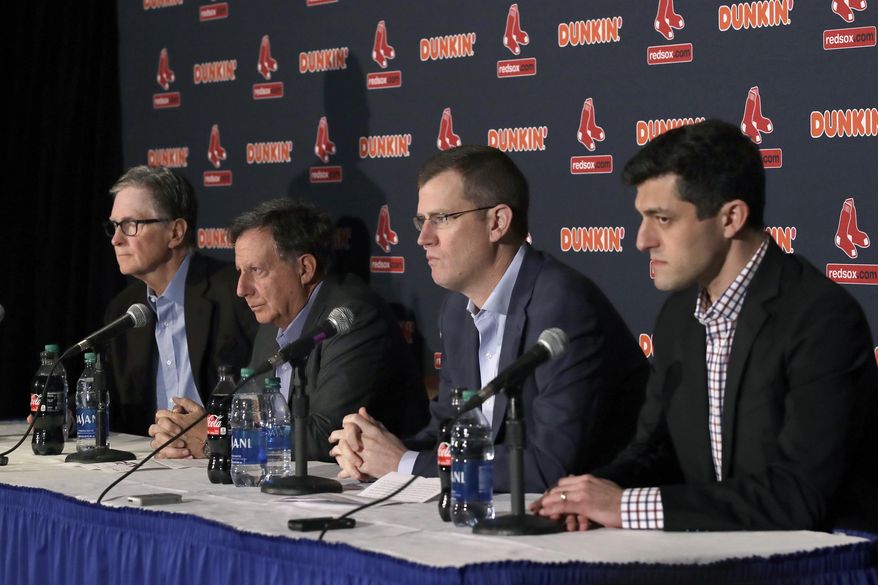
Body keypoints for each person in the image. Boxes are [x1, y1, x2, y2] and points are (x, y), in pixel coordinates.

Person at [532, 119, 878, 531]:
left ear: (730, 218)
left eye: (662, 219)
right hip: (718, 547)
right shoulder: (679, 316)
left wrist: (625, 507)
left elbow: (798, 494)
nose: (642, 240)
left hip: (826, 556)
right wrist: (594, 494)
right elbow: (656, 451)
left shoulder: (821, 319)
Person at [329, 145, 648, 492]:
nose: (423, 238)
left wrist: (404, 463)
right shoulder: (456, 310)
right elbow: (447, 429)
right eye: (422, 221)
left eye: (442, 219)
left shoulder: (563, 307)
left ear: (497, 222)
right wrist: (373, 450)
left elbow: (550, 465)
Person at [150, 198, 428, 461]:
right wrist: (189, 429)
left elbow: (325, 435)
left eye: (256, 270)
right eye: (239, 271)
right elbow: (247, 412)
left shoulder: (351, 320)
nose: (241, 289)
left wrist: (217, 440)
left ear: (305, 268)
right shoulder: (276, 321)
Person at [103, 166, 257, 439]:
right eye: (114, 226)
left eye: (130, 225)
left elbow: (267, 396)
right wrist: (69, 416)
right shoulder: (124, 309)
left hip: (227, 457)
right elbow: (115, 405)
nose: (116, 239)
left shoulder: (237, 292)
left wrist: (214, 435)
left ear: (176, 232)